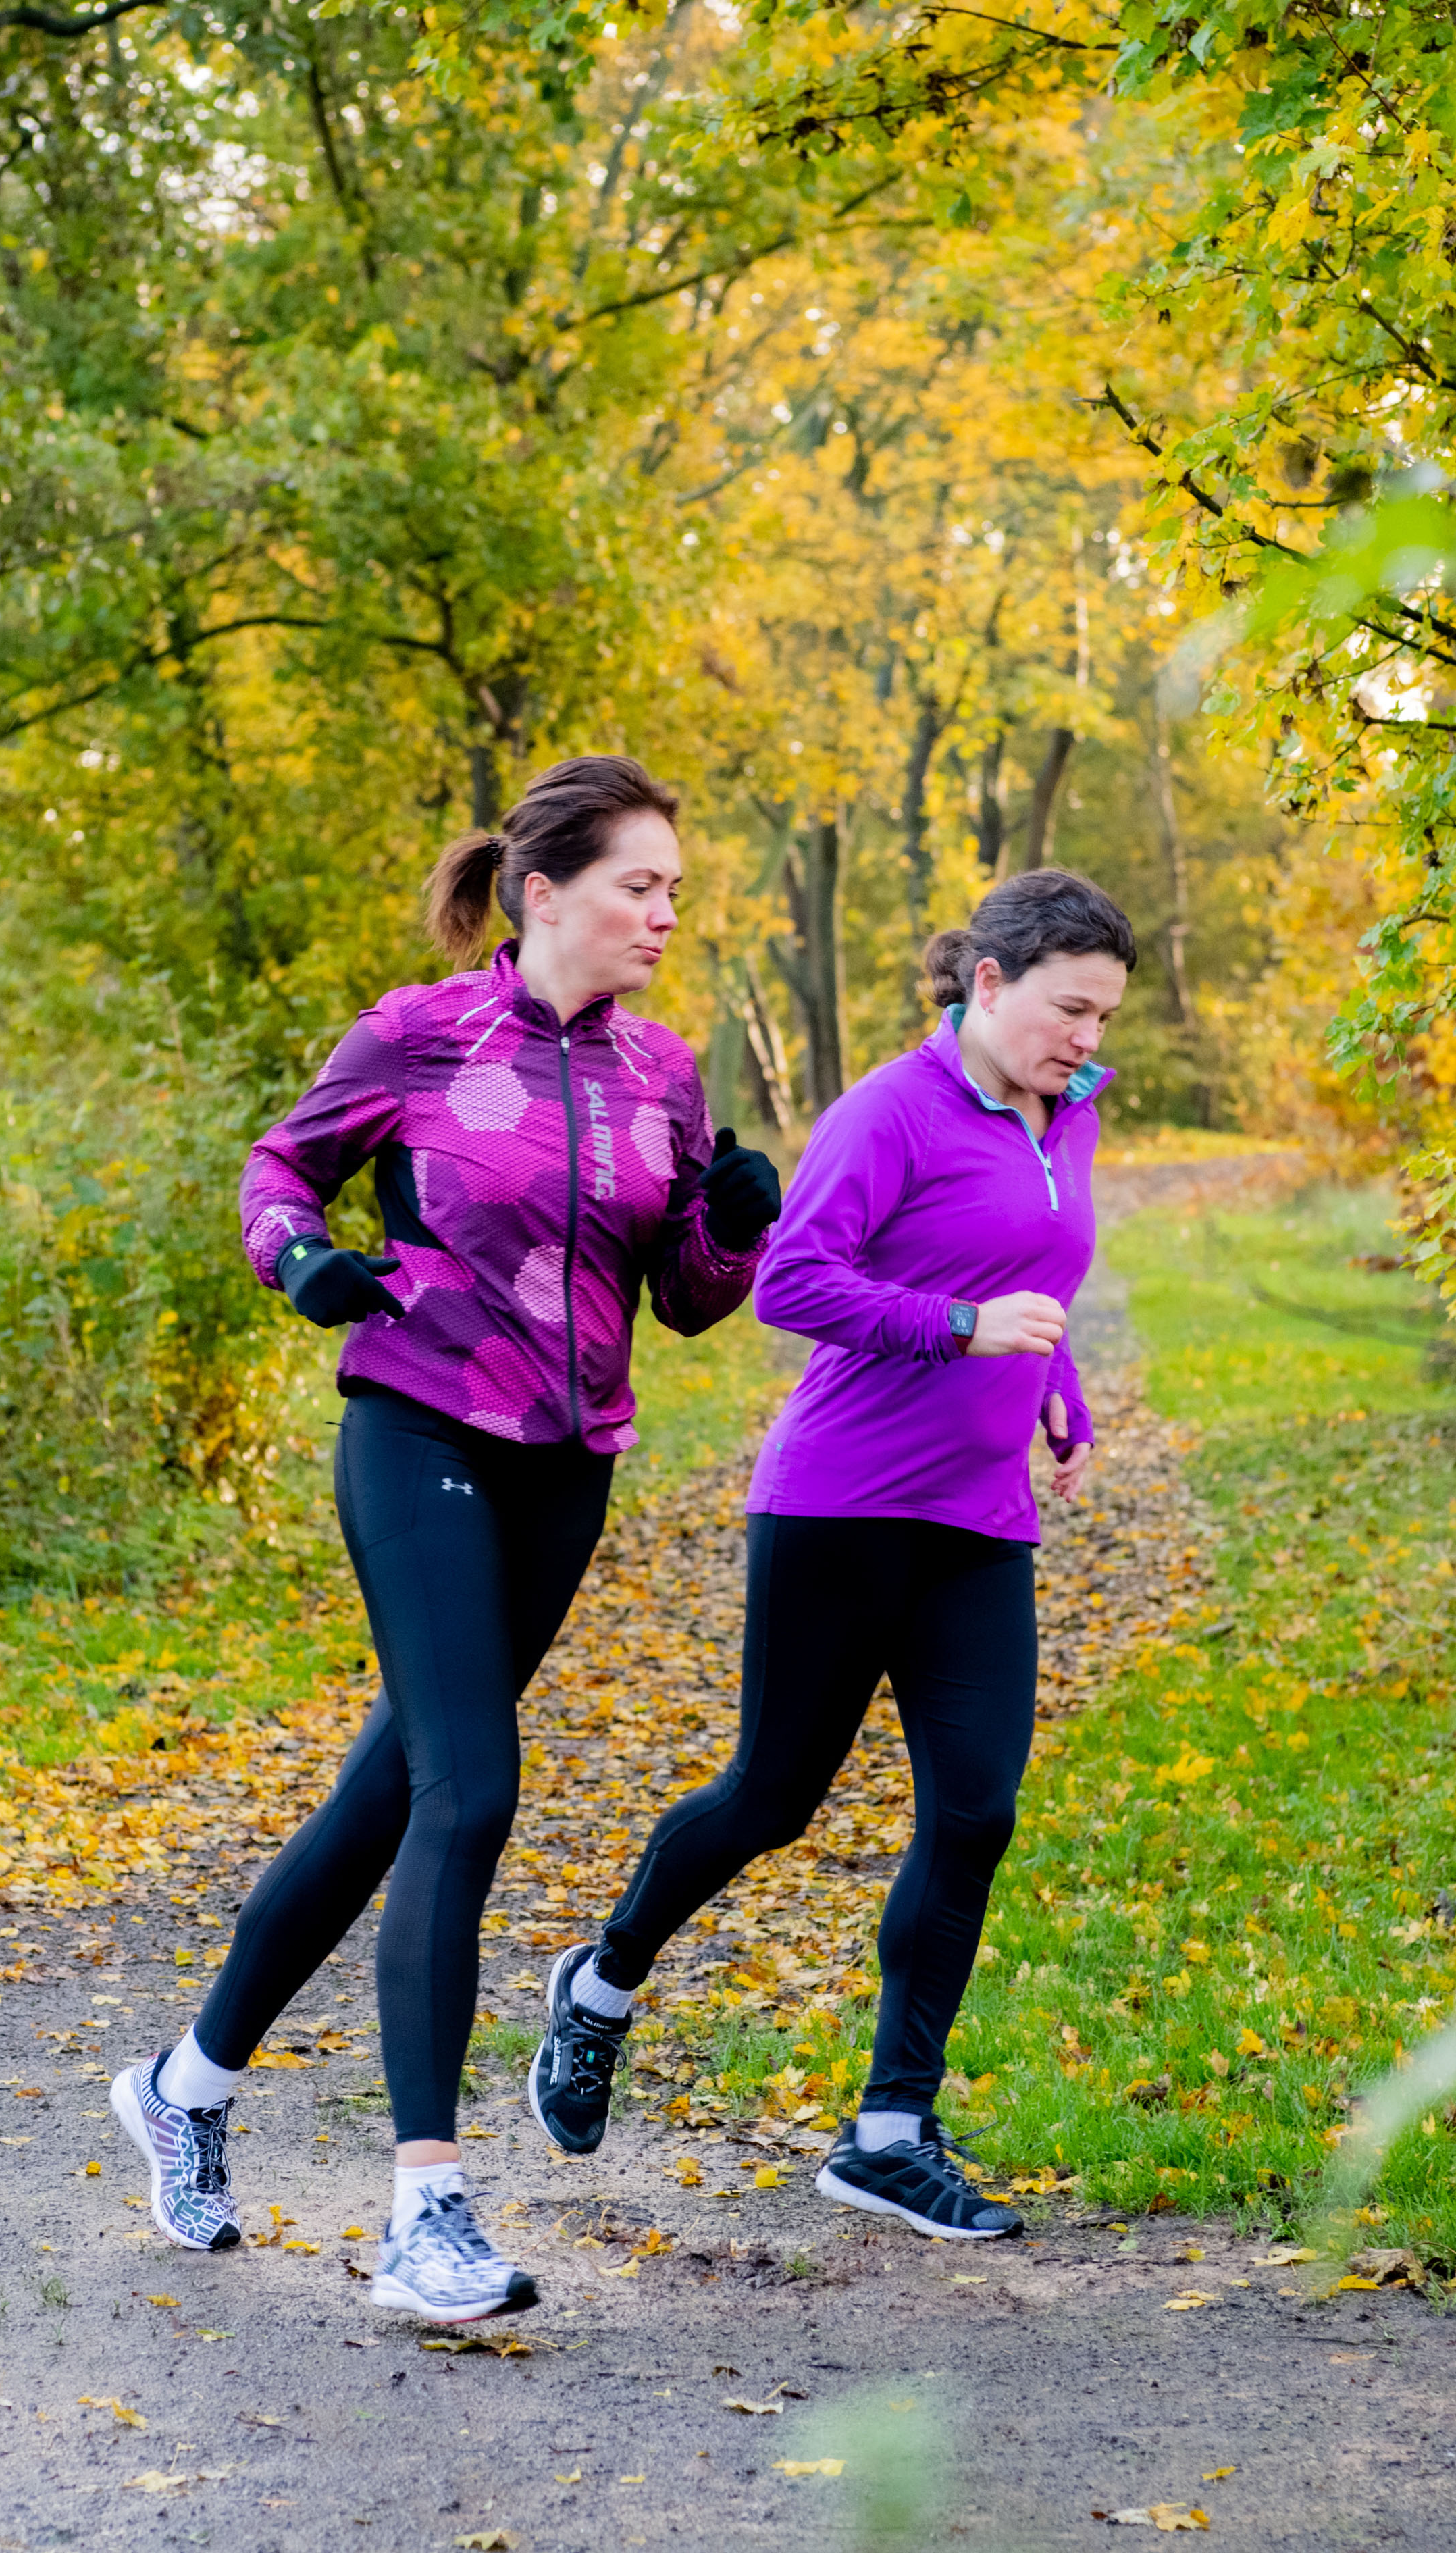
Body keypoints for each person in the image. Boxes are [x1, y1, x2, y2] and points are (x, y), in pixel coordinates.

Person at [109, 754, 782, 2323]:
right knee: (469, 1793)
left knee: (383, 1802)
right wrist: (303, 1263)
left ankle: (185, 2087)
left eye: (676, 889)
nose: (667, 913)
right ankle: (426, 2209)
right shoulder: (419, 1034)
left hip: (565, 1470)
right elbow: (280, 1168)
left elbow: (685, 1300)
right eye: (642, 885)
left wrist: (734, 1218)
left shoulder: (662, 1074)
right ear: (543, 893)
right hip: (416, 1427)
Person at [524, 867, 1135, 2240]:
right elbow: (793, 1282)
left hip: (980, 1520)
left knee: (974, 1813)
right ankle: (603, 1983)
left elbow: (1039, 1272)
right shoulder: (890, 1112)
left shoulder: (1072, 1116)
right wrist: (964, 1333)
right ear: (987, 983)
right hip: (841, 1504)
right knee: (773, 1797)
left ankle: (888, 2130)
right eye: (1067, 1009)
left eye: (1103, 1017)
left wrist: (1058, 1391)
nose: (1086, 1040)